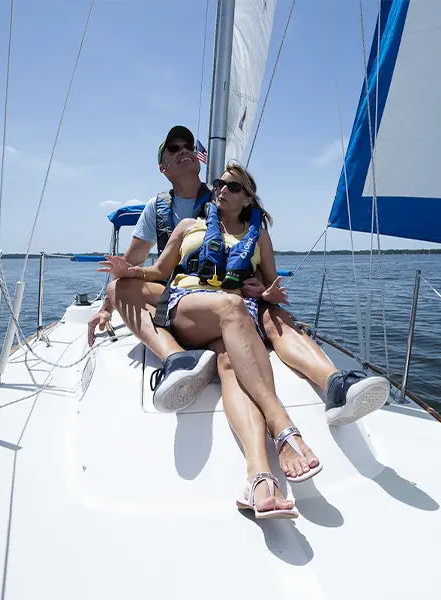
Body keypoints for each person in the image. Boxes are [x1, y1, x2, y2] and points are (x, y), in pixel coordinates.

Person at [88, 125, 389, 426]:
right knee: (119, 289)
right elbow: (137, 266)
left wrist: (262, 288)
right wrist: (105, 308)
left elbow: (249, 261)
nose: (185, 151)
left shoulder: (230, 211)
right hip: (179, 301)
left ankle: (330, 388)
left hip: (231, 301)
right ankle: (179, 360)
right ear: (163, 167)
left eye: (188, 146)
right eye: (174, 148)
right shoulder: (163, 211)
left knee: (269, 317)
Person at [99, 162, 317, 518]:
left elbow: (270, 283)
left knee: (230, 363)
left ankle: (257, 477)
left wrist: (267, 293)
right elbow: (157, 272)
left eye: (231, 187)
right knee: (125, 288)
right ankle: (283, 428)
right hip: (191, 308)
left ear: (247, 198)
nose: (221, 190)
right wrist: (130, 271)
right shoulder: (188, 226)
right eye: (219, 184)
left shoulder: (255, 233)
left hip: (230, 321)